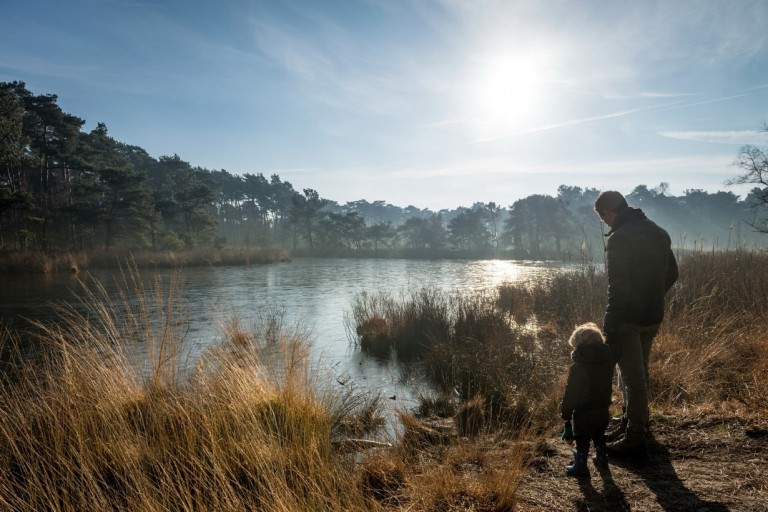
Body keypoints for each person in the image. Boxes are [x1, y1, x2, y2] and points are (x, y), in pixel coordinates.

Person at [594, 190, 678, 458]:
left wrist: (610, 324)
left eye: (603, 218)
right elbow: (673, 273)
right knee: (637, 371)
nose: (605, 223)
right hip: (653, 315)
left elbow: (617, 288)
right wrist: (653, 296)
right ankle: (632, 424)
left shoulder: (620, 239)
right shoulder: (658, 231)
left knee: (632, 378)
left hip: (629, 319)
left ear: (608, 212)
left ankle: (635, 438)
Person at [560, 322, 614, 476]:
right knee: (599, 435)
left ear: (578, 345)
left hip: (584, 412)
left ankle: (580, 466)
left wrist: (566, 412)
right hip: (603, 409)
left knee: (582, 439)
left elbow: (572, 393)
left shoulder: (578, 367)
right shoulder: (607, 362)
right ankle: (602, 457)